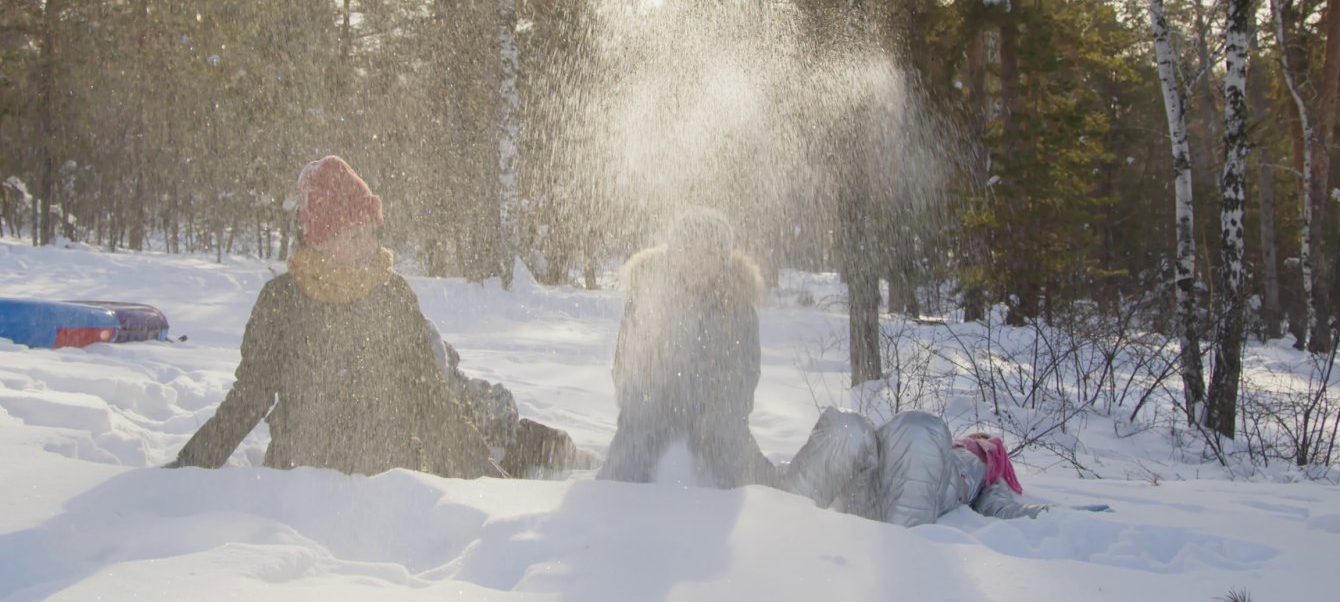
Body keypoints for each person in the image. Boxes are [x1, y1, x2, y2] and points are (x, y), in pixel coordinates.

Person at [169, 155, 575, 478]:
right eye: (353, 235)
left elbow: (430, 401)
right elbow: (246, 400)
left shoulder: (391, 294)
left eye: (370, 232)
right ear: (321, 239)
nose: (366, 246)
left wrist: (485, 482)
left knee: (478, 413)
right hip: (301, 483)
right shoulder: (282, 302)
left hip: (389, 482)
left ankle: (550, 451)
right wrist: (187, 467)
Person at [598, 207, 779, 488]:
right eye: (688, 249)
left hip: (719, 428)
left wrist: (716, 418)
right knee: (621, 473)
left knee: (755, 485)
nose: (698, 260)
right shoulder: (648, 298)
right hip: (651, 420)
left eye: (709, 253)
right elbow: (627, 365)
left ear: (723, 260)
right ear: (674, 253)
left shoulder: (738, 308)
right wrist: (651, 409)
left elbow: (744, 373)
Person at [785, 409, 1051, 525]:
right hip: (876, 478)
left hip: (923, 487)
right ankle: (779, 512)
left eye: (982, 438)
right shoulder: (951, 448)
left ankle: (899, 556)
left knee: (919, 429)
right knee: (849, 430)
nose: (977, 438)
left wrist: (1046, 513)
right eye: (976, 436)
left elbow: (1000, 507)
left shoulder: (989, 469)